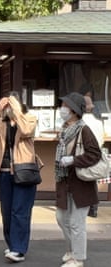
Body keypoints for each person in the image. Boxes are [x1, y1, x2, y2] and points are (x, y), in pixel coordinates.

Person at [0, 91, 39, 263]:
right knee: (6, 212)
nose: (9, 108)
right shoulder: (1, 122)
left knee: (20, 212)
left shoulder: (29, 118)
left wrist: (17, 111)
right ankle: (13, 244)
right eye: (7, 105)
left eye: (11, 105)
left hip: (24, 171)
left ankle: (18, 249)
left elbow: (27, 130)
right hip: (4, 171)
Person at [55, 92, 101, 267]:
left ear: (74, 111)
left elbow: (95, 154)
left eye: (65, 106)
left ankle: (78, 258)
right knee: (61, 218)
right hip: (65, 182)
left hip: (81, 184)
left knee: (76, 223)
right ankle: (71, 251)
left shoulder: (84, 129)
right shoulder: (65, 130)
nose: (62, 109)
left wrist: (74, 160)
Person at [83, 95, 104, 218]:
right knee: (93, 181)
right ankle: (94, 208)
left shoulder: (79, 122)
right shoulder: (98, 123)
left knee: (80, 181)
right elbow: (101, 140)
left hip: (81, 155)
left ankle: (83, 207)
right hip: (96, 155)